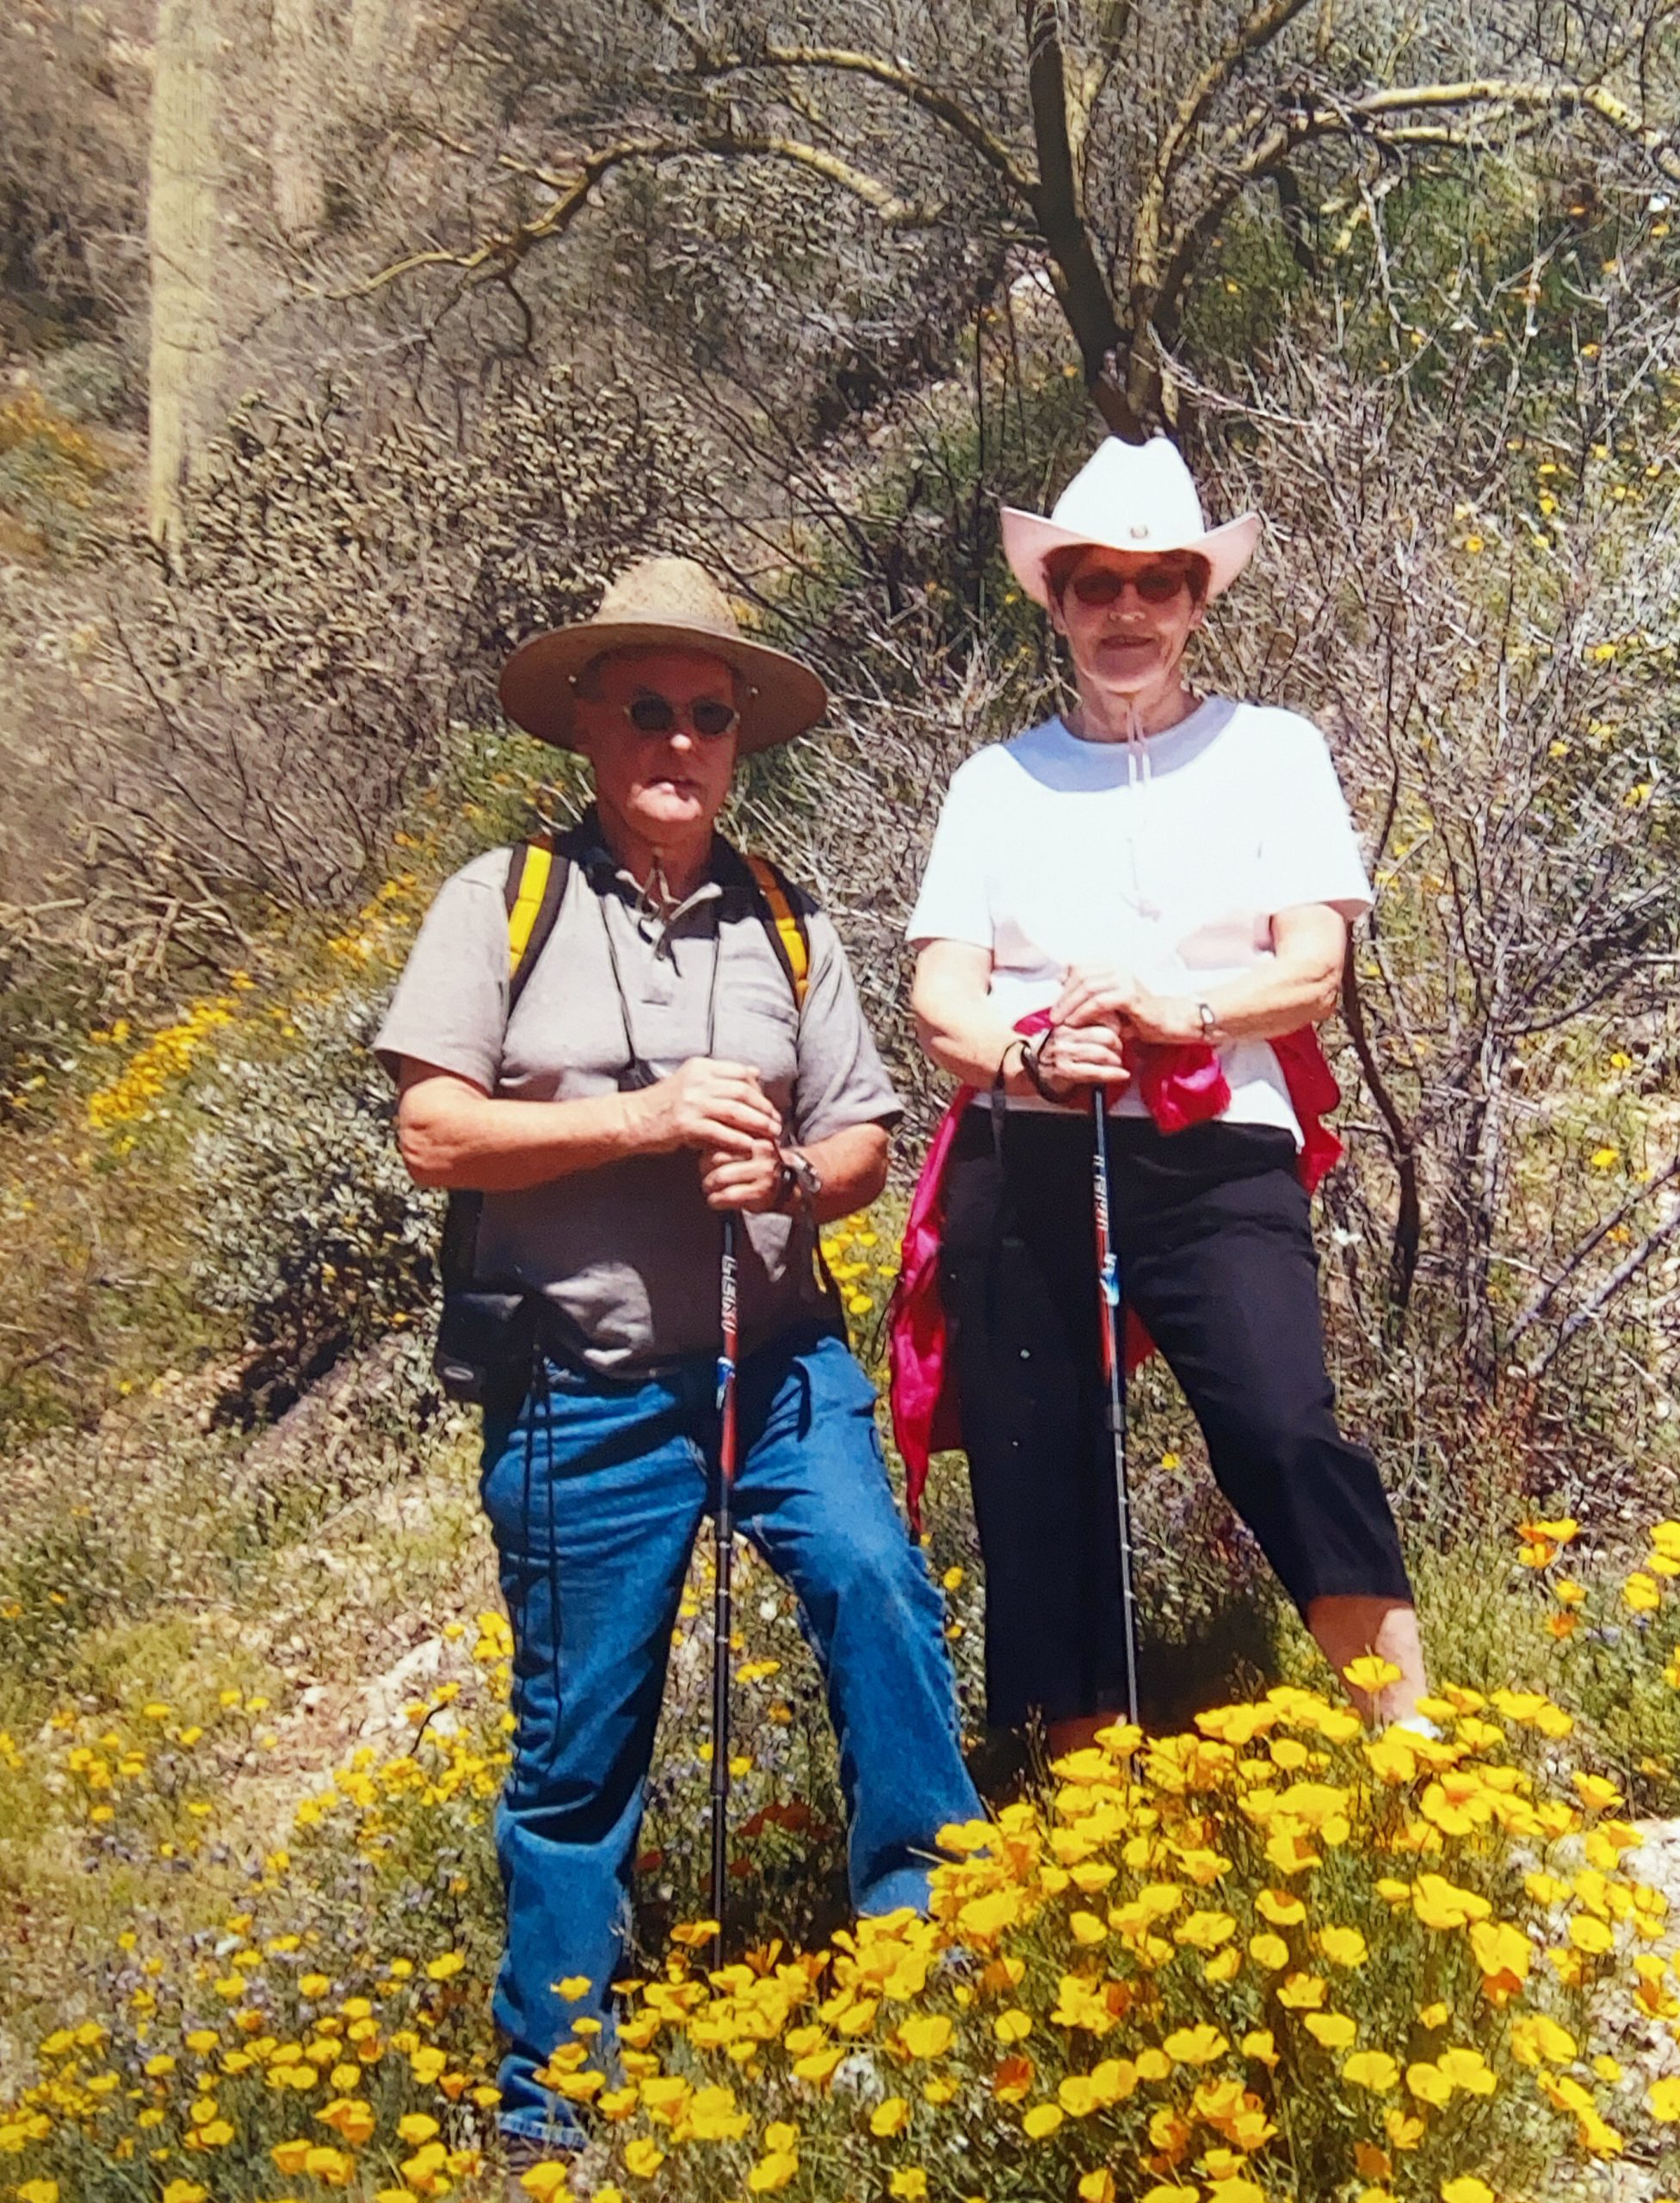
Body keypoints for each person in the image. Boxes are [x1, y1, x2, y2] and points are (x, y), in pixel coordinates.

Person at [374, 557, 979, 2166]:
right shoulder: (502, 900)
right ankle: (549, 2104)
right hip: (578, 1391)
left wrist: (784, 1177)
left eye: (710, 716)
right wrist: (641, 1120)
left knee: (878, 1594)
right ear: (586, 722)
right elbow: (434, 1133)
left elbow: (860, 1144)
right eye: (647, 708)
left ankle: (936, 1966)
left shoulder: (785, 914)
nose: (681, 741)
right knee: (579, 1743)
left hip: (778, 1370)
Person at [904, 435, 1430, 1756]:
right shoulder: (992, 783)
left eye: (1156, 584)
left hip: (1215, 1147)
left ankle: (1410, 1743)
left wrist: (1177, 1012)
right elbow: (940, 999)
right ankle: (1082, 1801)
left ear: (1196, 600)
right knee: (1038, 1464)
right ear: (1057, 603)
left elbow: (1310, 970)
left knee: (1280, 1424)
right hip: (1029, 1154)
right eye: (1095, 585)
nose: (1125, 612)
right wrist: (1026, 1058)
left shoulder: (1272, 753)